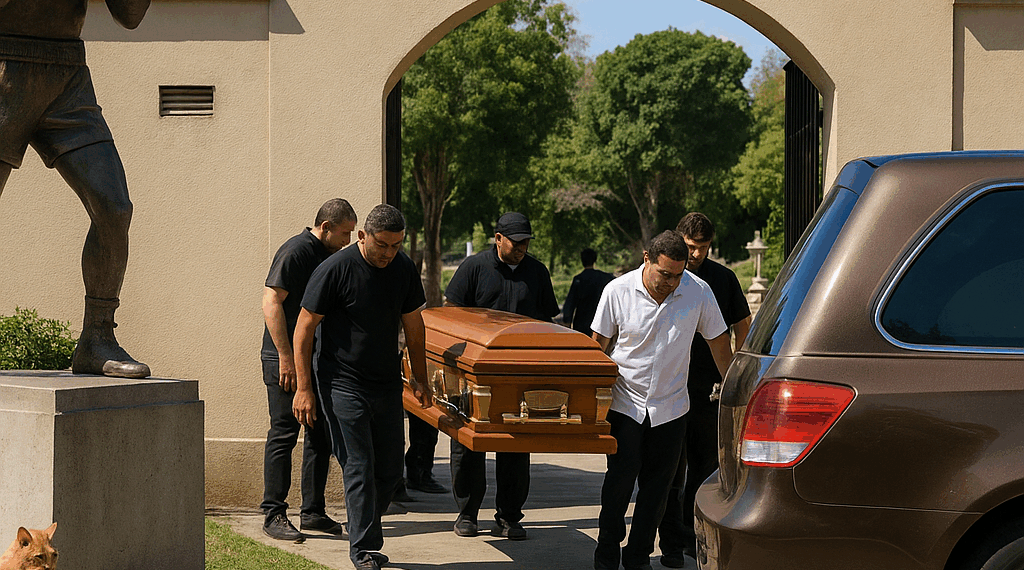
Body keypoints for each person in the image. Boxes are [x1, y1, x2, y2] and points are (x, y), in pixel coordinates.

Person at [0, 0, 153, 378]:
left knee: (114, 207)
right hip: (3, 63)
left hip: (67, 75)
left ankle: (97, 338)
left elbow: (130, 16)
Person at [291, 204, 431, 570]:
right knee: (358, 463)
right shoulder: (334, 269)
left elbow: (415, 329)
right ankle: (364, 549)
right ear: (362, 236)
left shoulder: (403, 269)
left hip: (385, 383)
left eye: (396, 245)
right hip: (341, 381)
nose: (389, 253)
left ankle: (362, 521)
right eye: (382, 245)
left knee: (389, 470)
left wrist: (421, 378)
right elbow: (304, 328)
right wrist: (304, 389)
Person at [591, 230, 734, 570]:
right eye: (664, 274)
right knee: (620, 483)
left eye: (678, 276)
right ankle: (607, 550)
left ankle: (638, 556)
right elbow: (597, 347)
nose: (670, 282)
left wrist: (734, 386)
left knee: (658, 490)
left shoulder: (697, 292)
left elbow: (718, 342)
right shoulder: (617, 291)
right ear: (647, 259)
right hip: (625, 404)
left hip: (671, 408)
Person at [443, 211, 559, 541]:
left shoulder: (537, 272)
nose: (522, 247)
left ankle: (509, 516)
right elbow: (452, 313)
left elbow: (547, 322)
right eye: (516, 241)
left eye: (526, 242)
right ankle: (467, 512)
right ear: (498, 239)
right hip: (473, 372)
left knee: (515, 444)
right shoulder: (473, 268)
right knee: (467, 444)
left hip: (518, 373)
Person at [259, 199, 357, 542]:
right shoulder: (297, 251)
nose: (348, 240)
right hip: (283, 359)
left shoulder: (330, 254)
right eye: (344, 232)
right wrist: (285, 356)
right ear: (326, 226)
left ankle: (313, 512)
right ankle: (273, 513)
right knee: (284, 433)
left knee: (319, 434)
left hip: (315, 359)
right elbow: (271, 301)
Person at [657, 213, 751, 568]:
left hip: (707, 388)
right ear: (679, 238)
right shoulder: (667, 274)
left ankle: (687, 530)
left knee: (704, 467)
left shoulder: (722, 279)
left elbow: (743, 323)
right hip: (668, 385)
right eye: (691, 246)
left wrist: (737, 367)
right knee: (669, 469)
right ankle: (669, 540)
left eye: (703, 247)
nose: (695, 254)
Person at [561, 248, 614, 337]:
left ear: (582, 261)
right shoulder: (605, 278)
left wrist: (567, 321)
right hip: (601, 321)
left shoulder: (579, 279)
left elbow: (570, 302)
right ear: (595, 260)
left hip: (581, 323)